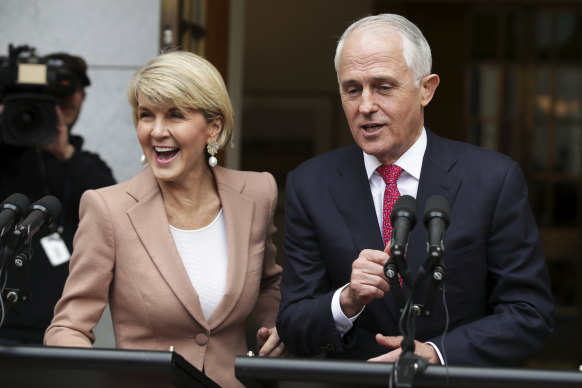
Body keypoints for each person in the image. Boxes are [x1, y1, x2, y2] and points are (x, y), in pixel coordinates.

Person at [276, 13, 554, 366]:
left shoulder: (493, 180)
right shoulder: (311, 184)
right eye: (352, 89)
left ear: (427, 89)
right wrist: (345, 301)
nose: (365, 106)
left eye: (383, 86)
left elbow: (531, 314)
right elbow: (293, 323)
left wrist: (437, 354)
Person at [44, 50, 285, 388]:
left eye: (174, 115)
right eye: (146, 115)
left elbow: (269, 283)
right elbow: (68, 327)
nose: (157, 131)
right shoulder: (107, 209)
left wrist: (277, 326)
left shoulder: (258, 193)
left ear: (213, 127)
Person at [0, 52, 116, 344]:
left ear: (81, 97)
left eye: (66, 94)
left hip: (60, 326)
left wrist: (64, 152)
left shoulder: (85, 164)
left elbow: (114, 211)